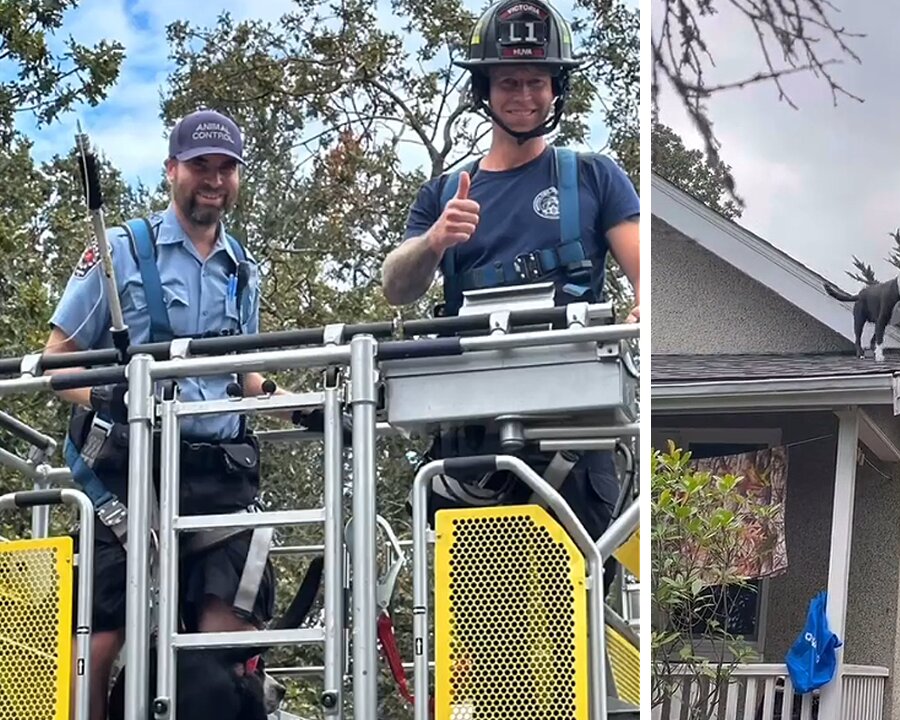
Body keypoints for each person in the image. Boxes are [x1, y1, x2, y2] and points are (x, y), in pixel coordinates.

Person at [47, 109, 321, 720]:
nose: (214, 179)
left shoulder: (242, 268)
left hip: (217, 479)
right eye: (201, 166)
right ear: (172, 170)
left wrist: (295, 403)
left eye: (226, 168)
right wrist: (106, 396)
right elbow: (55, 361)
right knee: (99, 635)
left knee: (226, 640)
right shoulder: (119, 252)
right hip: (129, 474)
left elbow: (242, 374)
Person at [381, 0, 639, 581]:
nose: (523, 95)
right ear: (485, 89)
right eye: (507, 82)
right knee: (476, 635)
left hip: (575, 441)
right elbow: (396, 287)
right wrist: (434, 242)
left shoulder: (594, 178)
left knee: (571, 630)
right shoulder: (446, 193)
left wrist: (645, 299)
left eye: (536, 81)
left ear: (556, 88)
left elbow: (642, 267)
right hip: (473, 449)